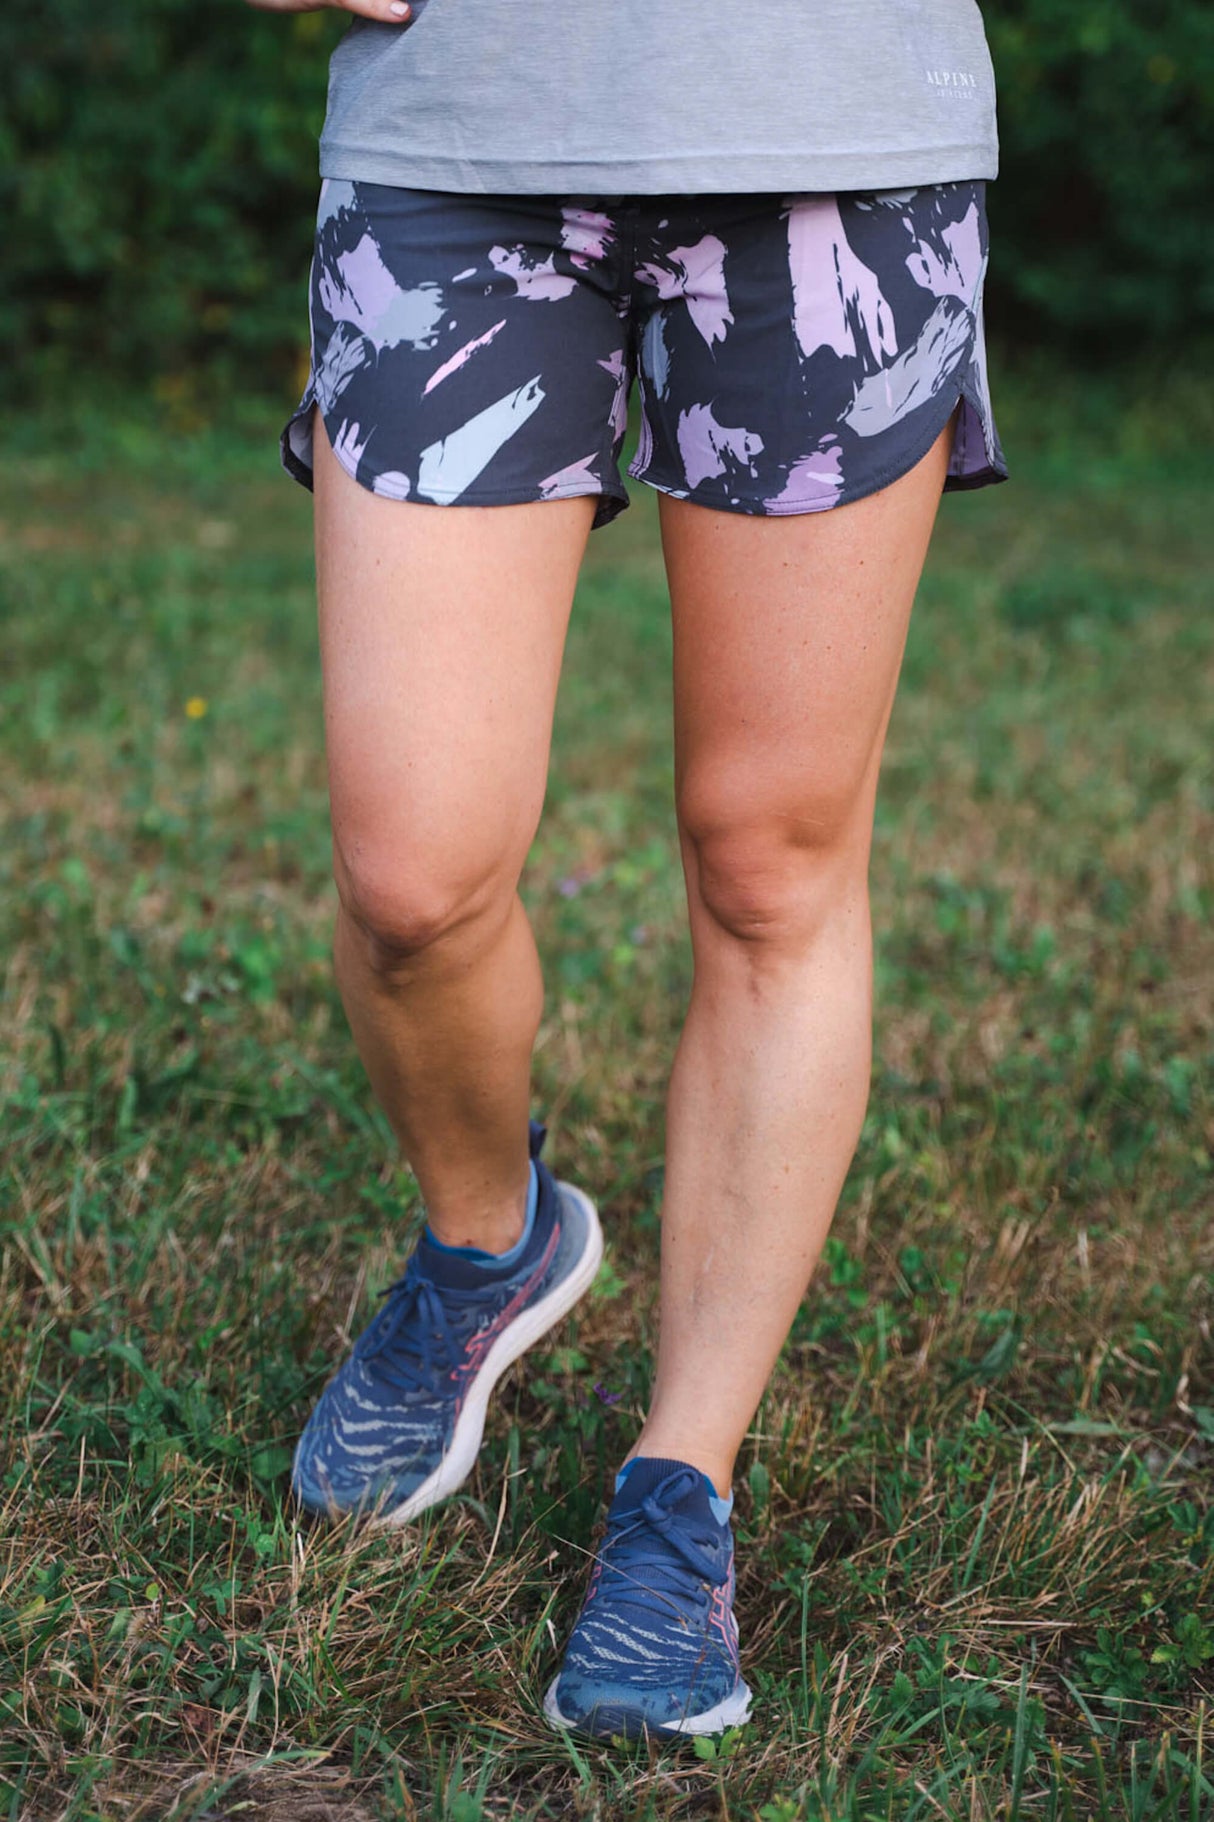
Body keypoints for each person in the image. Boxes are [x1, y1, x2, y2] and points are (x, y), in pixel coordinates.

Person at [245, 0, 1008, 1742]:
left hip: (837, 147)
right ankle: (482, 1241)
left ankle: (682, 1481)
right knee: (409, 872)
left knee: (767, 862)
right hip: (460, 150)